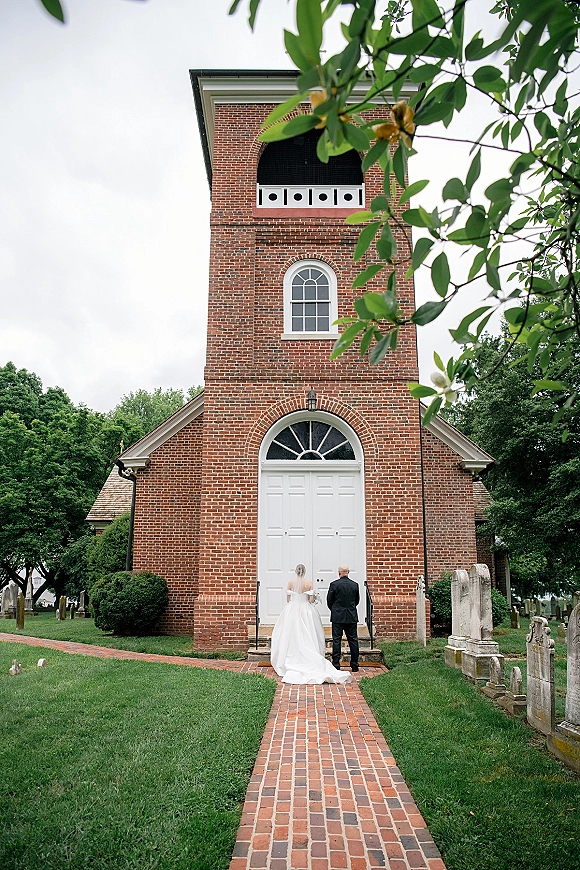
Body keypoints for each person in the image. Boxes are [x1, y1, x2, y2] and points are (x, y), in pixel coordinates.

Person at [270, 564, 351, 685]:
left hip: (292, 609)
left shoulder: (291, 583)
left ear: (296, 571)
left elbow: (288, 599)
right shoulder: (309, 583)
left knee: (290, 632)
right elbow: (311, 600)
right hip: (305, 609)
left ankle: (289, 657)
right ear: (305, 572)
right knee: (308, 632)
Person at [326, 565, 360, 672]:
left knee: (337, 640)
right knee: (353, 640)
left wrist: (335, 610)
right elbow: (356, 601)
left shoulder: (334, 585)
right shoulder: (354, 585)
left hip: (337, 617)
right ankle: (354, 664)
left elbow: (329, 601)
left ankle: (336, 664)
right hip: (351, 616)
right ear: (348, 572)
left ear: (339, 572)